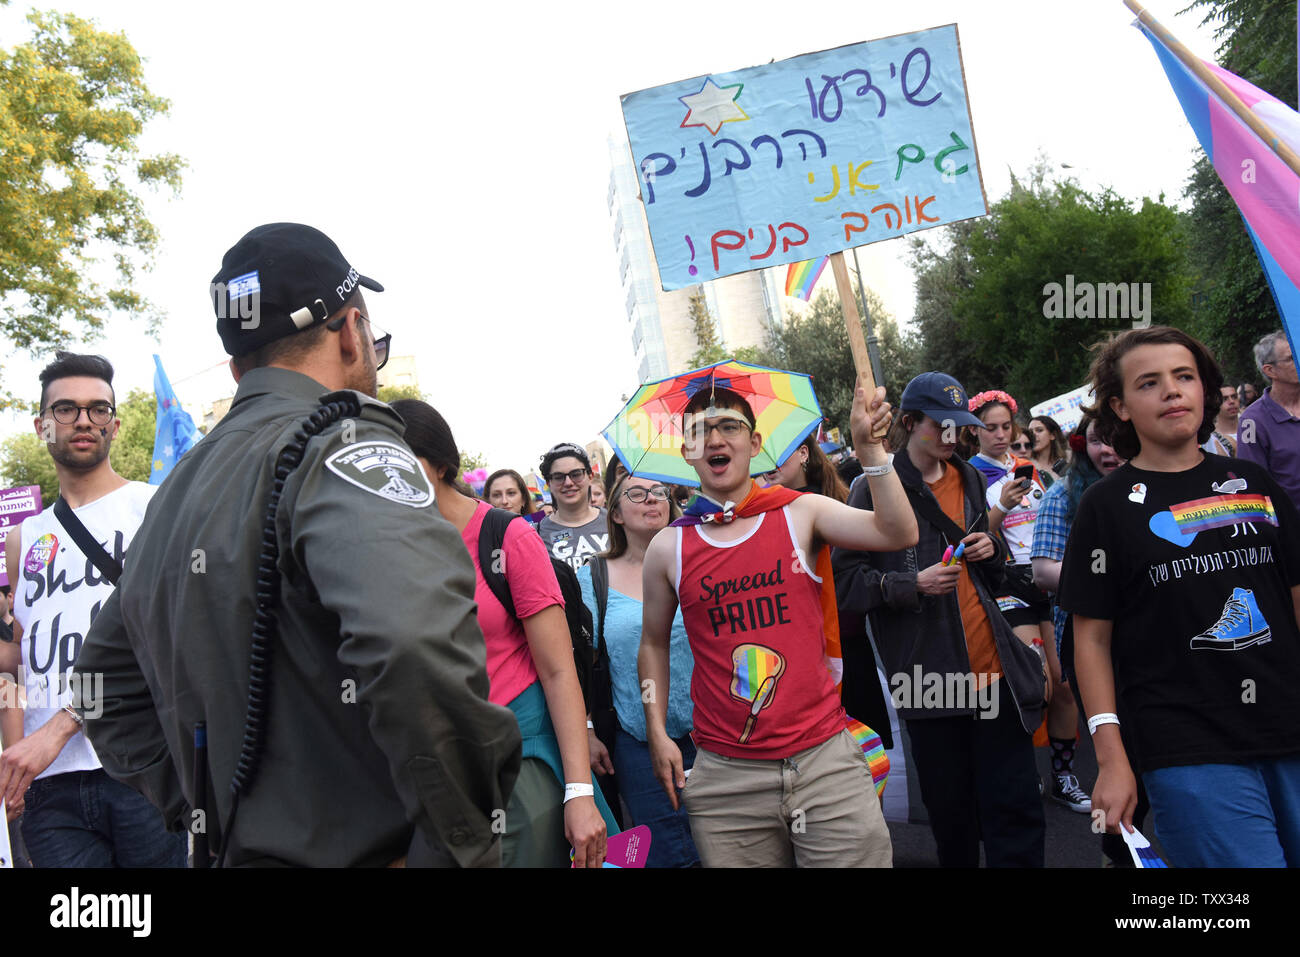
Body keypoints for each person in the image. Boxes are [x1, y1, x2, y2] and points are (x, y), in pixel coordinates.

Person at [75, 223, 522, 867]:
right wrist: (461, 845)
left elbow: (97, 683)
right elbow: (413, 642)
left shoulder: (175, 492)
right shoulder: (344, 443)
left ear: (236, 366)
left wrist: (209, 807)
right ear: (352, 331)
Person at [640, 379, 916, 867]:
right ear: (686, 450)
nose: (717, 439)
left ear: (756, 443)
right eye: (701, 431)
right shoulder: (668, 547)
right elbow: (654, 644)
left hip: (824, 761)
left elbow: (897, 531)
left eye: (730, 426)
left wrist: (871, 450)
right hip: (728, 779)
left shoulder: (800, 512)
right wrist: (658, 730)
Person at [1059, 326, 1300, 868]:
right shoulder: (1105, 507)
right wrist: (1110, 758)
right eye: (1149, 383)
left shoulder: (1254, 480)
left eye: (1184, 376)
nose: (1172, 391)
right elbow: (1090, 642)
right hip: (1185, 746)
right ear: (1119, 407)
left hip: (1291, 724)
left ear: (1204, 389)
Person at [834, 372, 1048, 867]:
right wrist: (913, 585)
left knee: (1015, 809)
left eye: (960, 426)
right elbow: (846, 584)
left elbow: (988, 577)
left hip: (993, 671)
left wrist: (989, 547)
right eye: (941, 425)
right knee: (953, 819)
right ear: (908, 423)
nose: (954, 436)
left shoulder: (970, 477)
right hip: (930, 681)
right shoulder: (871, 488)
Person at [392, 399, 613, 868]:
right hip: (439, 776)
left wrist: (579, 792)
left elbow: (558, 671)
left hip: (523, 763)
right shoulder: (391, 550)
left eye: (398, 465)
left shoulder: (506, 536)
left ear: (438, 465)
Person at [0, 352, 185, 867]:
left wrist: (62, 724)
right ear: (41, 426)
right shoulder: (22, 539)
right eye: (65, 409)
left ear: (115, 425)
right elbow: (20, 656)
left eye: (97, 409)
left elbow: (157, 642)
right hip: (50, 784)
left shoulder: (155, 508)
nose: (83, 419)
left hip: (141, 766)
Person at [1029, 412, 1140, 863]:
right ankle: (1113, 848)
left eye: (1116, 439)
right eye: (1097, 441)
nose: (1108, 450)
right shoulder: (1061, 496)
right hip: (1087, 635)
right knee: (1103, 734)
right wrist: (1112, 579)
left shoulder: (1146, 487)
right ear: (1080, 446)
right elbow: (1041, 570)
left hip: (1149, 642)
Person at [576, 473, 698, 867]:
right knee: (671, 851)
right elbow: (579, 661)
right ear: (615, 513)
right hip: (638, 738)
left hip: (717, 733)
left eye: (659, 492)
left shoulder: (697, 559)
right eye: (637, 494)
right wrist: (589, 729)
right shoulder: (595, 576)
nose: (652, 500)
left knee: (731, 844)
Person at [1237, 330, 1300, 509]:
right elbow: (1252, 484)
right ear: (1270, 370)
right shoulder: (1253, 421)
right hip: (1290, 528)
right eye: (1292, 357)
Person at [537, 443, 608, 571]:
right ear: (548, 483)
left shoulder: (615, 522)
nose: (568, 483)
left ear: (590, 477)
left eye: (576, 474)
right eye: (559, 477)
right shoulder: (537, 534)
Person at [762, 433, 850, 502]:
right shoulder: (765, 506)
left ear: (803, 454)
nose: (769, 461)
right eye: (763, 454)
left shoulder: (822, 502)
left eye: (777, 452)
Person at [1025, 415, 1068, 486]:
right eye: (1030, 432)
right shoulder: (1026, 465)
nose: (1034, 435)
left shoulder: (1069, 458)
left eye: (1039, 430)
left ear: (1052, 435)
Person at [1203, 384, 1239, 456]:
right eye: (1224, 399)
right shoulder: (1210, 439)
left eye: (1234, 397)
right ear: (1214, 404)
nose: (1231, 401)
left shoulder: (1251, 429)